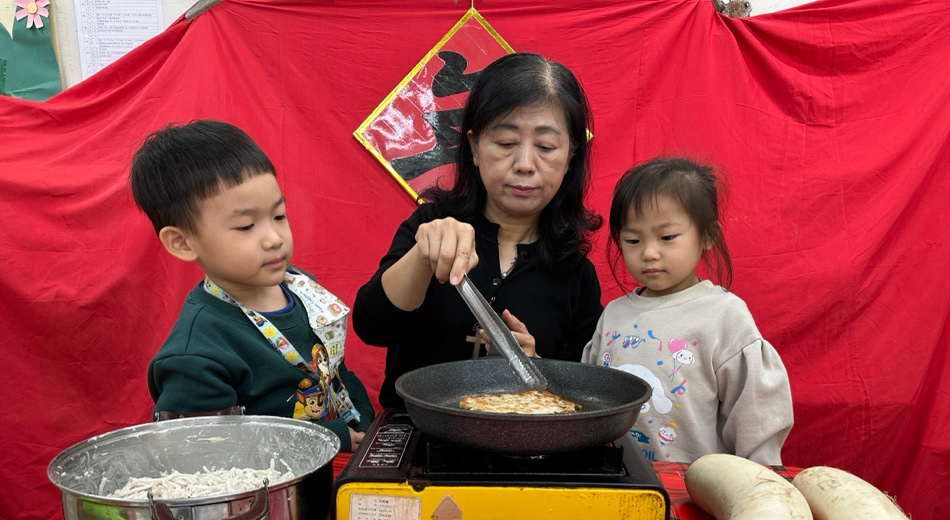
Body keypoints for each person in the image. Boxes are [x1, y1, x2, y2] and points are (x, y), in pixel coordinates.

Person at [353, 52, 604, 408]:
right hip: (417, 433)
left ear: (570, 158)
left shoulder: (575, 273)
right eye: (506, 143)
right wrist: (423, 256)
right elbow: (372, 327)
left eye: (546, 147)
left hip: (522, 437)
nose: (525, 164)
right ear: (474, 147)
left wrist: (536, 366)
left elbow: (583, 397)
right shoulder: (430, 225)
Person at [130, 120, 374, 452]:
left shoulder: (303, 288)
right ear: (183, 242)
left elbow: (334, 370)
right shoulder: (194, 357)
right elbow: (208, 455)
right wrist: (334, 437)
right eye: (246, 226)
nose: (274, 239)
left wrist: (366, 426)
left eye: (279, 216)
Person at [582, 156, 793, 464]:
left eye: (667, 237)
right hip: (616, 480)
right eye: (633, 240)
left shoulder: (724, 315)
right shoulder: (613, 314)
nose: (649, 252)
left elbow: (756, 413)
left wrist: (760, 478)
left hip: (695, 485)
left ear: (707, 235)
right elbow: (589, 400)